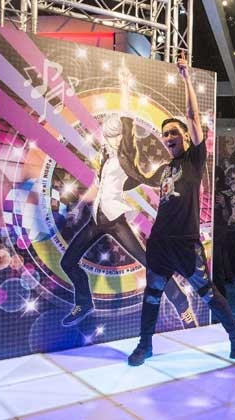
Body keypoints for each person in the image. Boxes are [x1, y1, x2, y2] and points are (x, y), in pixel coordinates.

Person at [128, 55, 235, 366]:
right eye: (164, 134)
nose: (168, 138)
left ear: (185, 137)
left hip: (185, 243)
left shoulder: (194, 159)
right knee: (152, 295)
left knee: (207, 294)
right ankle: (145, 345)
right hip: (159, 243)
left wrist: (186, 79)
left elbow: (193, 116)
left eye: (173, 133)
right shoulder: (167, 168)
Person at [60, 66, 197, 329]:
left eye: (113, 134)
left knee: (151, 264)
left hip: (115, 220)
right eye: (107, 133)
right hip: (97, 220)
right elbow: (99, 187)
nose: (109, 136)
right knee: (68, 261)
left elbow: (126, 119)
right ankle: (85, 302)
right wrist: (79, 206)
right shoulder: (105, 159)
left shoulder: (124, 156)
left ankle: (182, 306)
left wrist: (124, 88)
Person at [212, 166, 233, 297]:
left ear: (216, 178)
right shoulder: (203, 192)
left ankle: (220, 292)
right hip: (205, 230)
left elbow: (226, 216)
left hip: (219, 231)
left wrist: (224, 204)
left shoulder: (223, 195)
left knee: (217, 261)